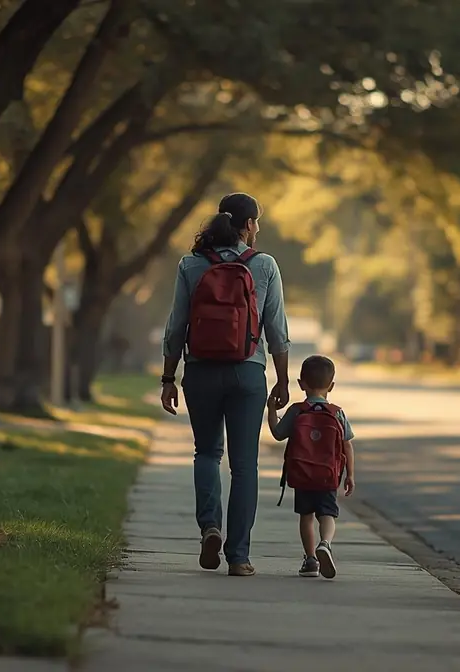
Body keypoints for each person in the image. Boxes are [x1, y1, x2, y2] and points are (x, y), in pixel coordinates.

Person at [159, 193, 291, 577]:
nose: (258, 229)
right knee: (245, 466)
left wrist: (169, 378)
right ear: (248, 225)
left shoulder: (191, 264)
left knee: (206, 453)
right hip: (247, 373)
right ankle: (239, 556)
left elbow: (176, 327)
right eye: (257, 222)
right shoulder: (264, 265)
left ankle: (210, 528)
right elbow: (277, 331)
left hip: (199, 370)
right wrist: (282, 381)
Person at [267, 355, 356, 579]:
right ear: (331, 386)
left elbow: (278, 434)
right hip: (328, 476)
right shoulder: (337, 413)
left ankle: (310, 560)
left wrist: (270, 410)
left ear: (301, 384)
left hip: (303, 475)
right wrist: (350, 475)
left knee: (306, 517)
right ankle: (325, 543)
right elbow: (347, 445)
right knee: (327, 514)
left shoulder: (297, 411)